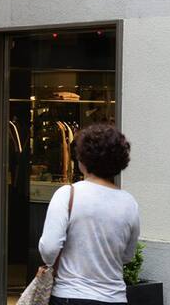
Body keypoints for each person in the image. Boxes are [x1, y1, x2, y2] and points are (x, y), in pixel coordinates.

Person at [39, 124, 140, 305]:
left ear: (83, 160)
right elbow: (127, 255)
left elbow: (49, 248)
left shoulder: (67, 194)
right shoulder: (129, 203)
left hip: (71, 294)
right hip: (114, 297)